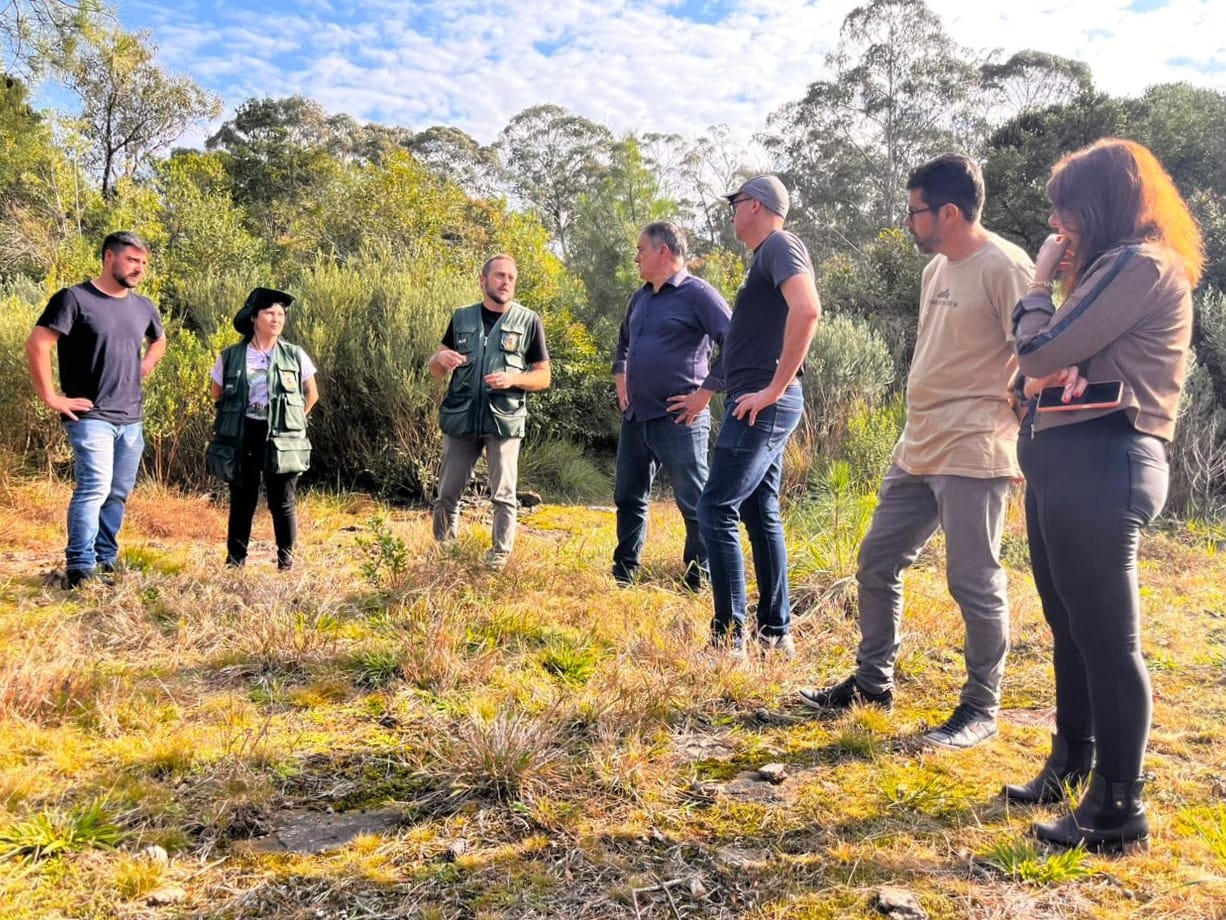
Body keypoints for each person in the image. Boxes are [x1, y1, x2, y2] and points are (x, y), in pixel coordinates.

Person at [1005, 139, 1202, 853]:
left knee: (1108, 641)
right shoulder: (1109, 271)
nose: (1057, 226)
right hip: (1068, 461)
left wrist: (1037, 285)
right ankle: (1072, 765)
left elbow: (1035, 352)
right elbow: (1028, 376)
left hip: (1106, 459)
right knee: (1071, 626)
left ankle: (1120, 808)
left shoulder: (1142, 265)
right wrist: (1039, 369)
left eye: (1066, 210)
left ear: (1102, 204)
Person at [798, 155, 1033, 751]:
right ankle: (872, 684)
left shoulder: (1006, 266)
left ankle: (980, 709)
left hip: (973, 447)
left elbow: (1035, 357)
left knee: (973, 581)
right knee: (877, 560)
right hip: (918, 443)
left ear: (948, 213)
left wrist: (1017, 430)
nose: (908, 222)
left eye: (915, 211)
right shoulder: (935, 270)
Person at [697, 175, 821, 656]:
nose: (732, 210)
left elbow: (807, 310)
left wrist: (774, 388)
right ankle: (774, 632)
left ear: (757, 206)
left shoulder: (780, 245)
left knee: (716, 507)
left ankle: (730, 640)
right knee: (757, 508)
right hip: (760, 398)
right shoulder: (765, 257)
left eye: (737, 201)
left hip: (762, 401)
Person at [26, 231, 166, 588]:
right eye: (132, 260)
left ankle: (105, 559)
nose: (139, 268)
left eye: (143, 263)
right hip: (90, 415)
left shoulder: (143, 306)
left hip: (131, 417)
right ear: (109, 257)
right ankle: (80, 566)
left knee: (117, 492)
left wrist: (147, 363)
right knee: (95, 487)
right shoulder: (74, 298)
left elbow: (159, 339)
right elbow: (38, 344)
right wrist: (52, 397)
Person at [612, 221, 731, 590]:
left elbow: (735, 342)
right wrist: (621, 373)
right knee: (628, 497)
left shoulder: (699, 295)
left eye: (640, 249)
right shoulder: (640, 298)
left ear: (663, 250)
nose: (636, 257)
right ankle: (623, 574)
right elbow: (623, 342)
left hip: (681, 419)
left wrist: (705, 393)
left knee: (694, 503)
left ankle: (699, 579)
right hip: (636, 416)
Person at [429, 255, 551, 570]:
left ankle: (498, 557)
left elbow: (543, 377)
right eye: (499, 276)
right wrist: (440, 360)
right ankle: (445, 554)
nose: (506, 282)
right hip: (461, 418)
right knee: (447, 493)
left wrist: (514, 379)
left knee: (504, 495)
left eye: (511, 277)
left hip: (504, 420)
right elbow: (436, 370)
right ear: (483, 281)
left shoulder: (528, 321)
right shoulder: (462, 318)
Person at [207, 288, 318, 570]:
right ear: (253, 318)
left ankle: (286, 562)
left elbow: (312, 394)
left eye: (280, 314)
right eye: (269, 313)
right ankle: (235, 563)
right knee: (242, 499)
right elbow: (216, 393)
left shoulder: (295, 355)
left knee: (282, 501)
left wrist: (294, 420)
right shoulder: (231, 356)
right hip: (244, 434)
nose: (276, 318)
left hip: (283, 437)